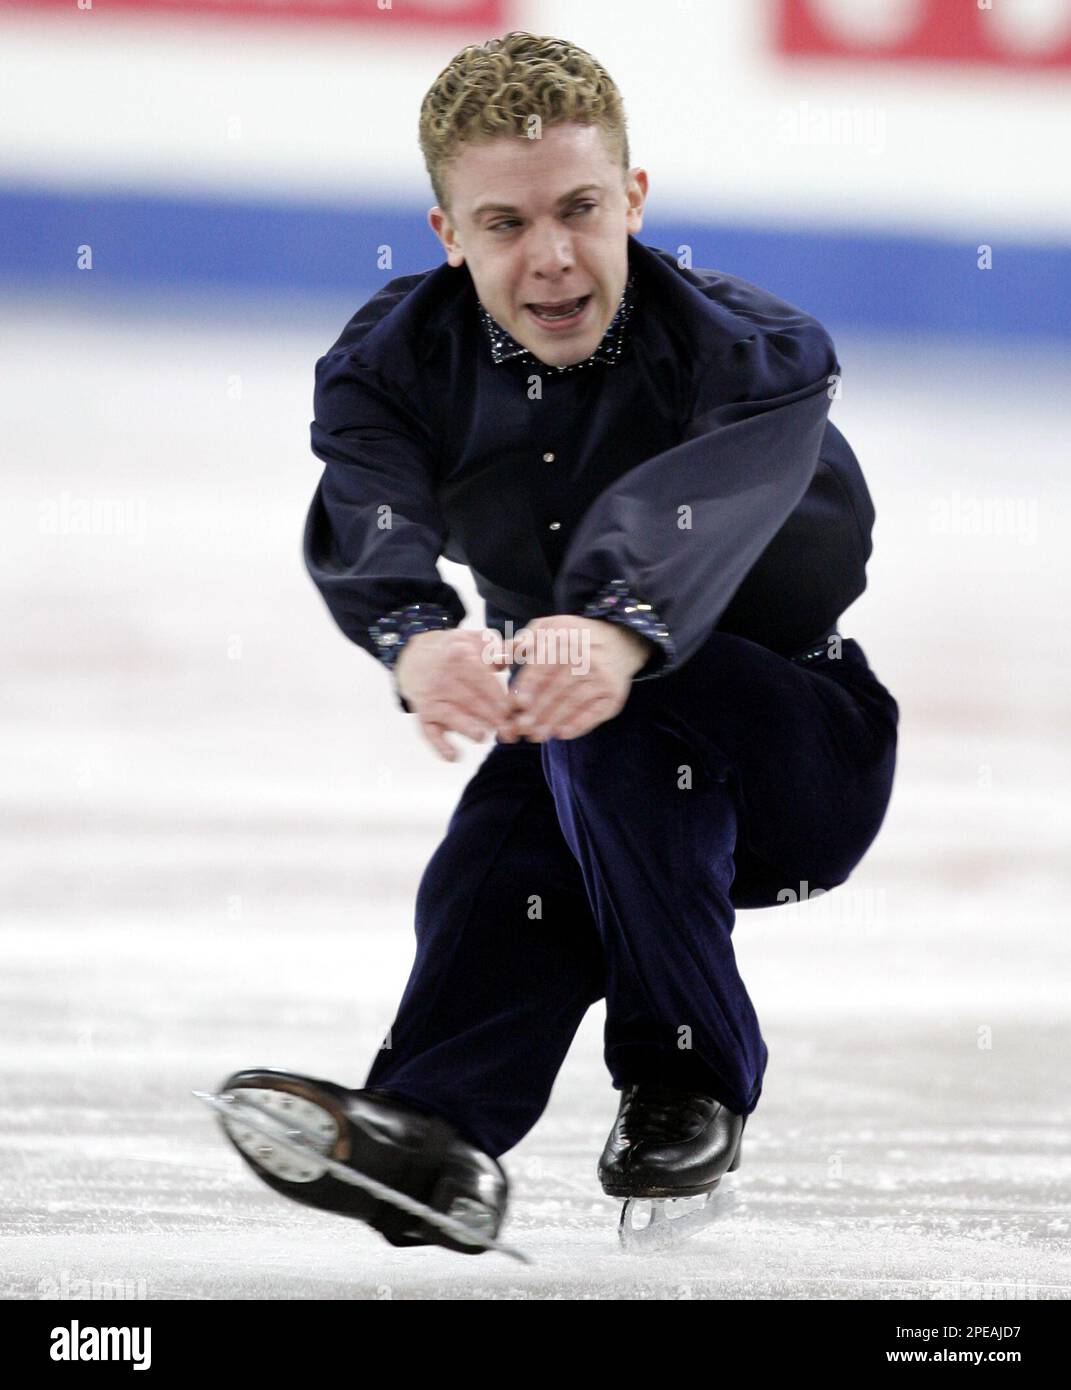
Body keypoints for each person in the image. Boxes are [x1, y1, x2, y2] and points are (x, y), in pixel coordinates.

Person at [214, 30, 899, 1254]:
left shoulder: (754, 356)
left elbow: (688, 514)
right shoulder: (390, 367)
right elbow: (373, 510)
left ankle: (682, 1078)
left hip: (800, 739)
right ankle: (434, 1140)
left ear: (632, 198)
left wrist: (617, 624)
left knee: (594, 706)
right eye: (504, 224)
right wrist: (415, 638)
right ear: (446, 234)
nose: (551, 258)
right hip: (587, 737)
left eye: (580, 209)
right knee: (504, 855)